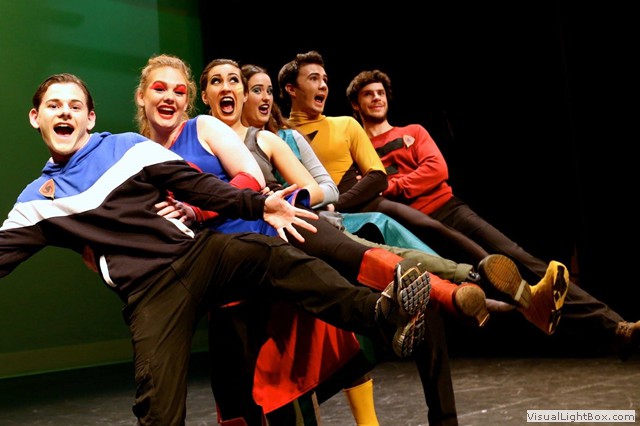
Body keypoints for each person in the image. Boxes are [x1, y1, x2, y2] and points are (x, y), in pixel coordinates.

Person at [0, 72, 434, 426]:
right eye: (54, 106)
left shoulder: (128, 149)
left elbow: (201, 187)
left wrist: (261, 205)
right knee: (158, 408)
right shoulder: (37, 201)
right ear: (36, 117)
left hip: (197, 256)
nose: (65, 112)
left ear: (90, 118)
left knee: (271, 256)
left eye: (75, 106)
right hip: (151, 296)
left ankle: (380, 315)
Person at [345, 68, 640, 360]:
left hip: (449, 210)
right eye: (368, 94)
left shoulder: (413, 132)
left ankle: (615, 328)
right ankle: (603, 334)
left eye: (381, 93)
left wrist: (391, 186)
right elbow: (364, 193)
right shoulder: (358, 152)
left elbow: (436, 170)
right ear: (356, 105)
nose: (377, 98)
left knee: (520, 260)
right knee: (487, 290)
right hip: (413, 232)